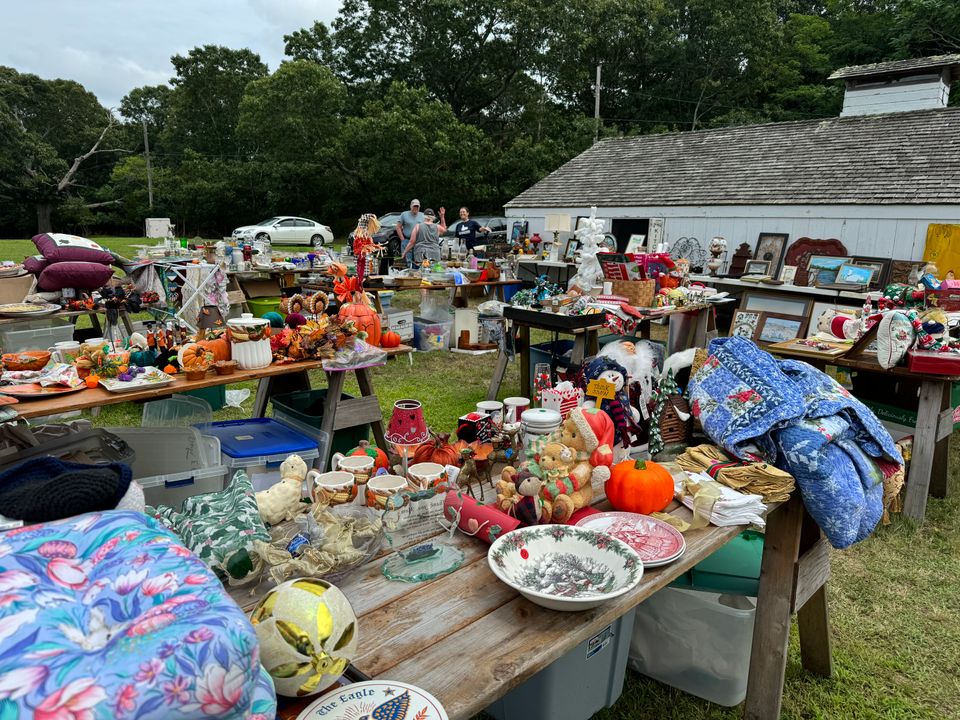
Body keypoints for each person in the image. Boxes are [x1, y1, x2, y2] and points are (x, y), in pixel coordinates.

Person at [397, 199, 424, 266]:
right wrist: (402, 239)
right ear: (410, 206)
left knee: (418, 260)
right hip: (407, 240)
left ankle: (416, 274)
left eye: (417, 207)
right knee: (408, 260)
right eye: (414, 206)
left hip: (418, 241)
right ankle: (409, 272)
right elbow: (398, 227)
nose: (415, 208)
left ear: (419, 207)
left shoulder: (423, 215)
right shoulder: (404, 214)